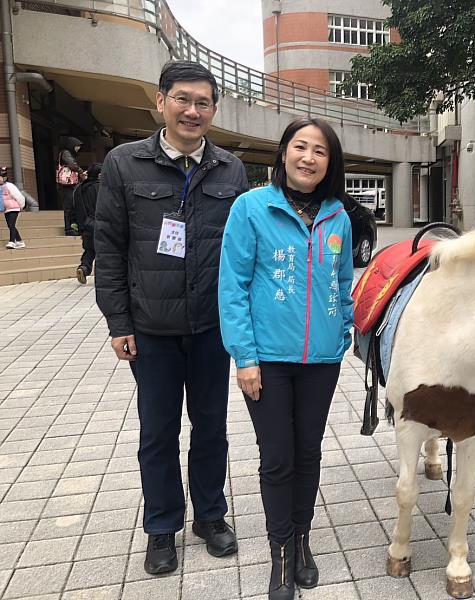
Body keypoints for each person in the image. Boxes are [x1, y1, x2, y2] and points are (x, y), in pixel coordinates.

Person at [94, 60, 249, 576]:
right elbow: (109, 247)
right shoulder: (123, 163)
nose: (192, 110)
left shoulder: (231, 169)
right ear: (160, 102)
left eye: (203, 102)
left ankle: (210, 515)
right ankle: (162, 525)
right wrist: (119, 322)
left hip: (211, 328)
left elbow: (240, 253)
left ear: (213, 110)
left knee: (211, 428)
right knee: (156, 432)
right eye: (182, 99)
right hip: (151, 331)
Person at [218, 117, 353, 600]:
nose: (309, 157)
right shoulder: (251, 208)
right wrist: (244, 357)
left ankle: (302, 541)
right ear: (283, 153)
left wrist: (343, 332)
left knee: (308, 453)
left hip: (321, 362)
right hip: (267, 361)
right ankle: (279, 556)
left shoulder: (338, 215)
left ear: (329, 163)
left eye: (320, 151)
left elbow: (342, 281)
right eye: (301, 146)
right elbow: (232, 287)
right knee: (277, 459)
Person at [73, 163, 101, 283]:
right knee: (103, 251)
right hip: (100, 224)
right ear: (99, 175)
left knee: (89, 250)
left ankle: (84, 268)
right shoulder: (101, 188)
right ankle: (100, 276)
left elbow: (73, 207)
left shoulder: (80, 188)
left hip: (85, 224)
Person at [57, 136, 84, 236]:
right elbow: (72, 165)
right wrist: (81, 172)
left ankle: (72, 227)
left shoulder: (67, 153)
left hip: (69, 184)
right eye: (77, 146)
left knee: (71, 206)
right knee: (68, 207)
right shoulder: (66, 153)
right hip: (66, 185)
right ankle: (68, 228)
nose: (78, 149)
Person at [1, 167, 26, 249]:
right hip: (6, 209)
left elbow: (19, 196)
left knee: (11, 225)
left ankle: (12, 241)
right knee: (11, 226)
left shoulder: (9, 186)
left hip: (14, 208)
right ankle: (20, 241)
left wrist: (21, 206)